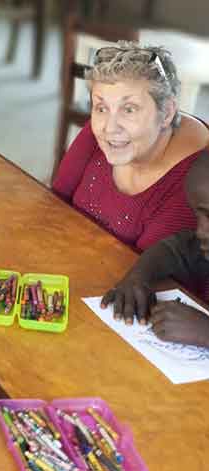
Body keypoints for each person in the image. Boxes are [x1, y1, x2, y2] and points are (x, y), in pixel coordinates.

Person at [52, 42, 209, 251]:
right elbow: (54, 203)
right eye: (101, 107)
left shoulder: (197, 181)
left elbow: (149, 275)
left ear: (167, 113)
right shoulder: (105, 129)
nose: (110, 127)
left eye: (129, 109)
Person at [101, 154, 209, 348]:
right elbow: (177, 249)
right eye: (197, 215)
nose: (200, 230)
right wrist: (138, 276)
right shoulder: (201, 246)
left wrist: (205, 332)